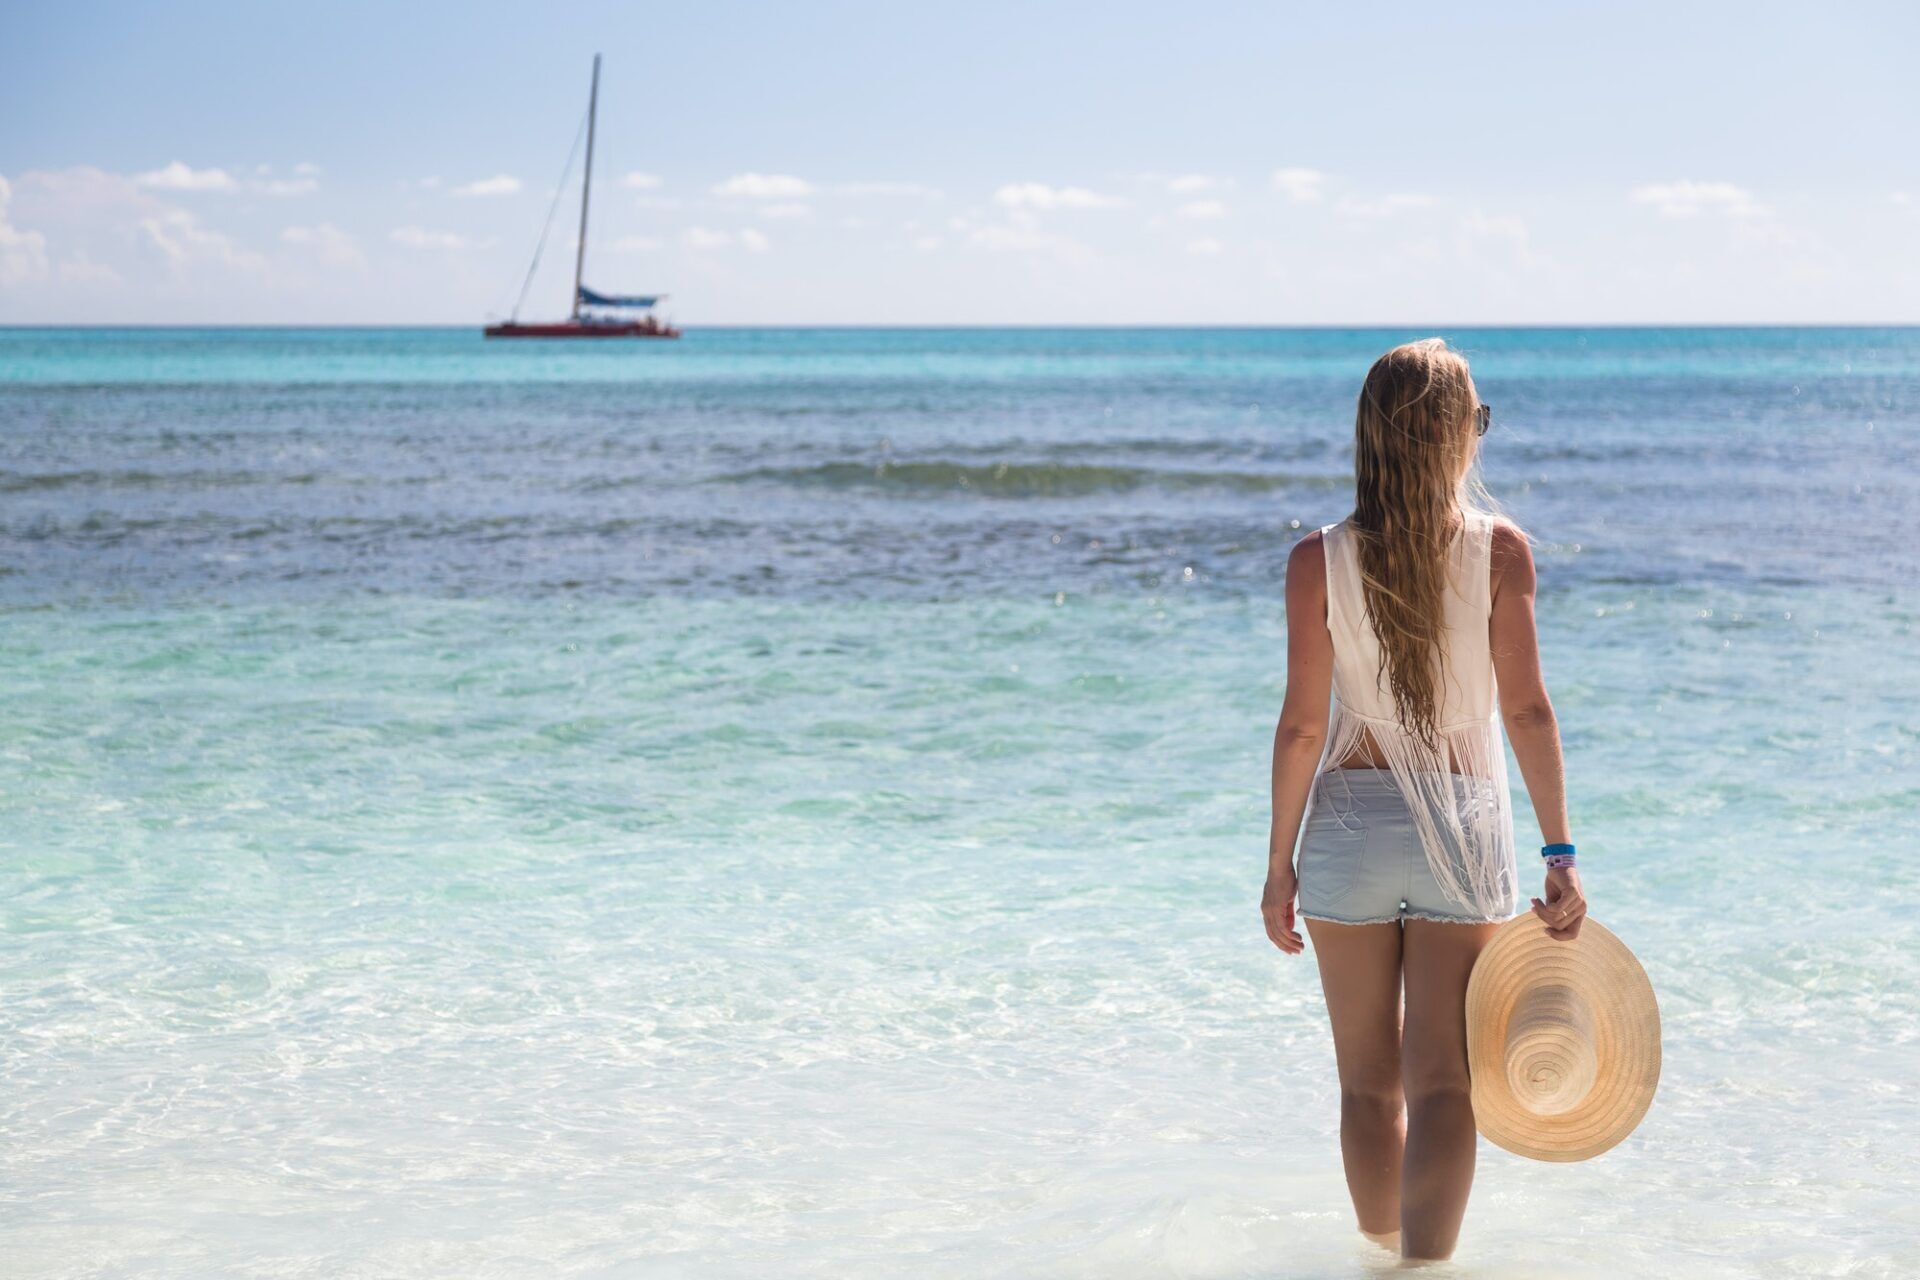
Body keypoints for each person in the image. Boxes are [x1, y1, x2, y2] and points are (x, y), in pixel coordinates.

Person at [1259, 338, 1588, 1265]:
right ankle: (1423, 1270)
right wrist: (1561, 854)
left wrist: (1279, 864)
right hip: (1464, 822)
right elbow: (1526, 709)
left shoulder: (1315, 560)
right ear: (1458, 438)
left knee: (1368, 1087)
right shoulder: (1500, 552)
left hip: (1350, 828)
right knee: (1445, 1085)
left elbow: (1298, 729)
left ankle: (1375, 1258)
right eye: (1476, 423)